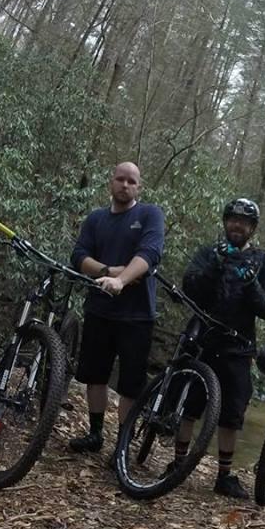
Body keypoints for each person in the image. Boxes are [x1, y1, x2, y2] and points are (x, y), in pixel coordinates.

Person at [178, 198, 265, 499]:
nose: (237, 226)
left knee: (233, 412)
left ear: (252, 228)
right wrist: (215, 267)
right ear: (225, 222)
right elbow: (191, 288)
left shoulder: (263, 261)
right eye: (233, 220)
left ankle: (224, 476)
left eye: (244, 222)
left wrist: (251, 283)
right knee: (190, 405)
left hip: (238, 345)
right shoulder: (209, 252)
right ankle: (179, 461)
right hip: (203, 340)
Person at [68, 161, 165, 454]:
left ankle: (121, 446)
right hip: (99, 310)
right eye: (120, 179)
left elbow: (149, 254)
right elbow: (79, 255)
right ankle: (95, 433)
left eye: (131, 181)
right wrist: (108, 271)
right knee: (95, 375)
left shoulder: (150, 214)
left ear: (139, 187)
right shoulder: (96, 219)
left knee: (130, 384)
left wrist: (121, 280)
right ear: (111, 182)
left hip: (137, 316)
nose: (125, 185)